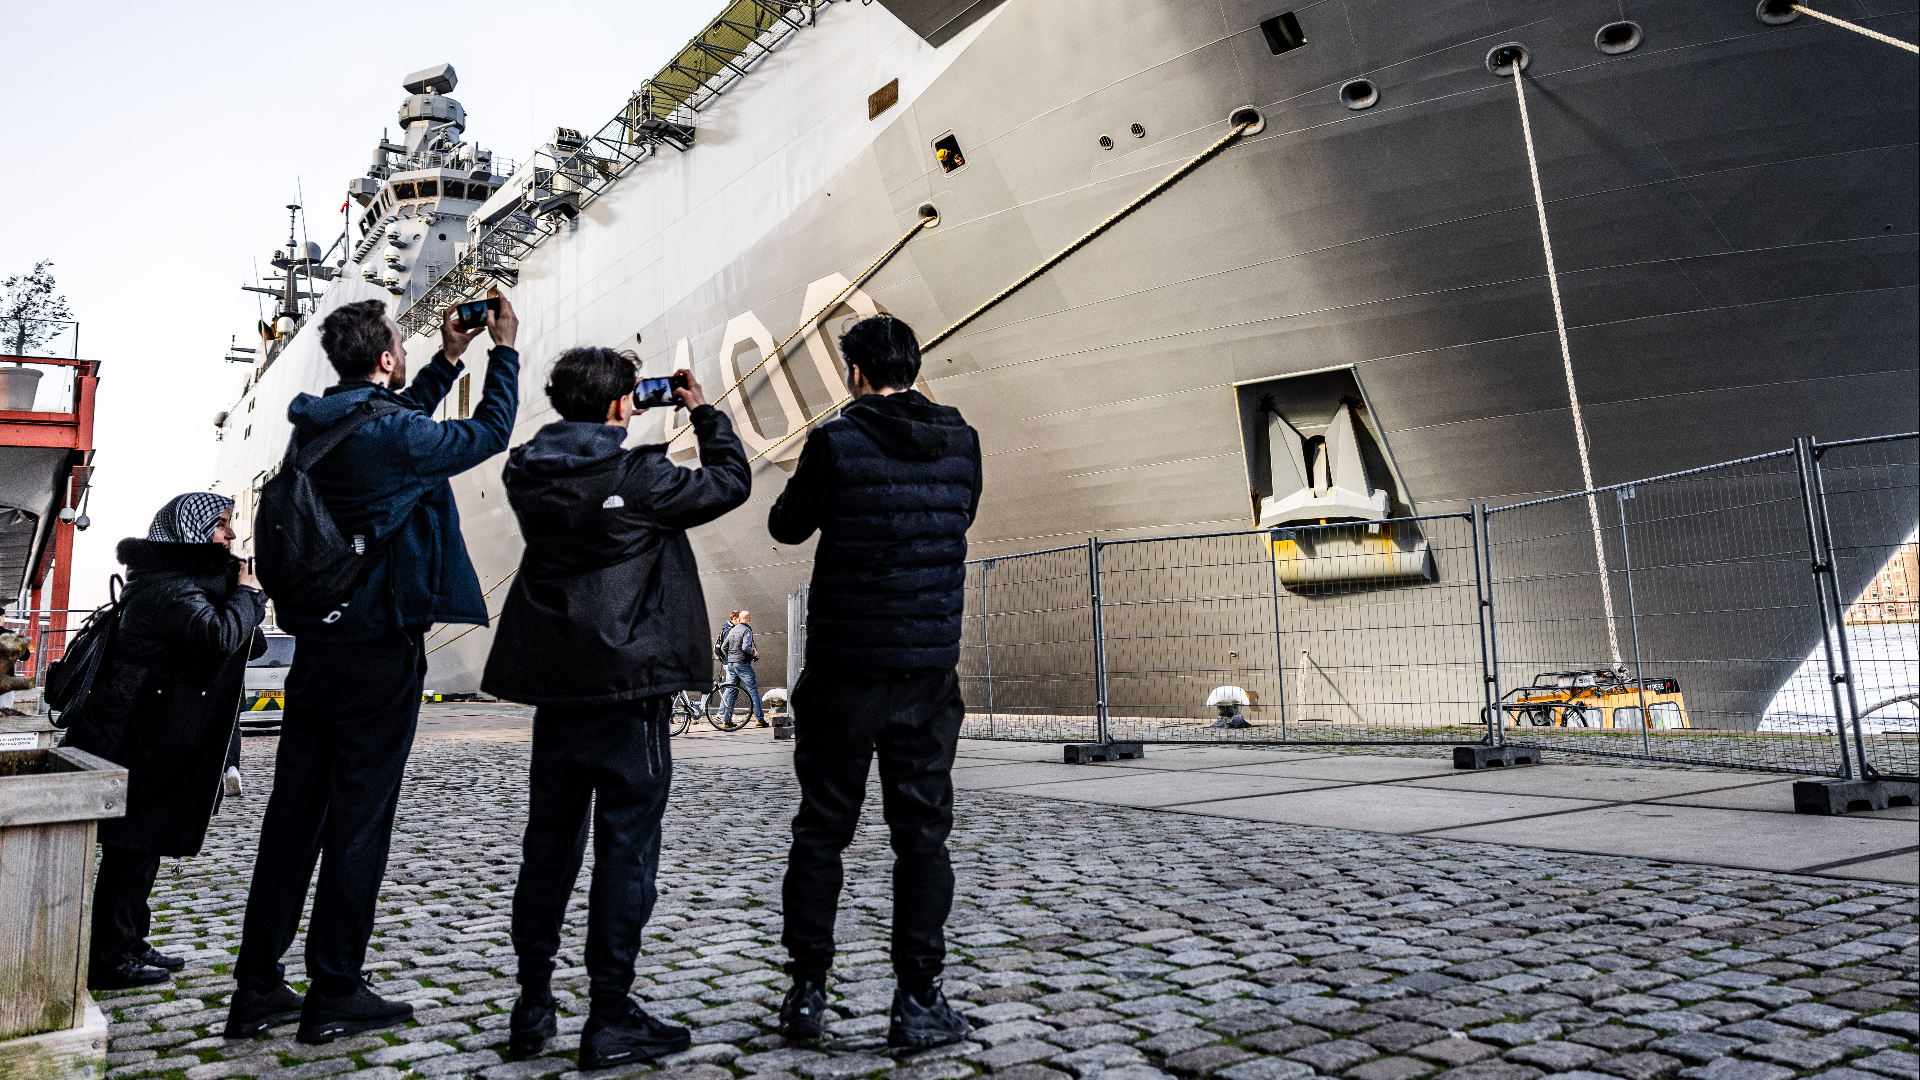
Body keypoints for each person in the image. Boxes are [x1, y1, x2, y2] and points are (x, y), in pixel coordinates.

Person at [227, 297, 520, 1044]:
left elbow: (390, 425)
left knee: (292, 823)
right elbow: (486, 432)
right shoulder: (392, 435)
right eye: (401, 346)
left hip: (318, 656)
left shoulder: (317, 432)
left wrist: (446, 360)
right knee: (360, 823)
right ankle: (335, 991)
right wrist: (502, 351)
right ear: (386, 358)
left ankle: (256, 987)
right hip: (380, 649)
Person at [480, 347, 749, 1067]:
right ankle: (609, 1015)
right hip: (630, 694)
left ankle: (532, 1004)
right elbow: (730, 483)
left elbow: (579, 462)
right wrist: (702, 410)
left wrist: (618, 415)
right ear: (620, 406)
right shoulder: (641, 476)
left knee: (548, 853)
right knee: (625, 855)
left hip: (558, 694)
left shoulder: (524, 474)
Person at [766, 314, 982, 1049]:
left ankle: (806, 993)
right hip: (925, 668)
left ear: (854, 373)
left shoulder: (835, 440)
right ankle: (919, 998)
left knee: (822, 831)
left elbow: (788, 528)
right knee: (922, 837)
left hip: (845, 668)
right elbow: (959, 515)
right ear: (913, 367)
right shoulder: (964, 440)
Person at [61, 494, 267, 990]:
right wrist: (249, 597)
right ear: (190, 532)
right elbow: (220, 636)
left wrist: (239, 597)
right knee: (132, 845)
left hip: (158, 731)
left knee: (144, 844)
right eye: (220, 527)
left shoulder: (183, 584)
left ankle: (129, 940)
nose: (230, 536)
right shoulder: (168, 589)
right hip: (142, 735)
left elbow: (248, 642)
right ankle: (109, 957)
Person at [717, 608, 765, 727]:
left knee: (732, 691)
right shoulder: (746, 630)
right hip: (743, 664)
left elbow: (723, 647)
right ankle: (759, 719)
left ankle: (726, 721)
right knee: (753, 691)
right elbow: (745, 647)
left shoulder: (732, 630)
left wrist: (730, 657)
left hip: (731, 664)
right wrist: (754, 652)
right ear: (749, 620)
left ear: (739, 619)